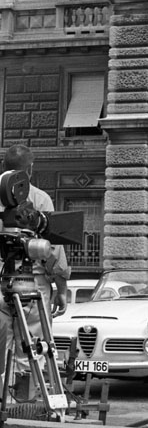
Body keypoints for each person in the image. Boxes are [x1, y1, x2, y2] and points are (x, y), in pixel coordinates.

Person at [0, 144, 70, 398]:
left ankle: (3, 401)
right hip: (31, 283)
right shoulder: (39, 199)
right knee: (31, 347)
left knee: (1, 349)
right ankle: (24, 403)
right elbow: (53, 252)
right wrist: (61, 289)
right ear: (30, 169)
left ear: (3, 166)